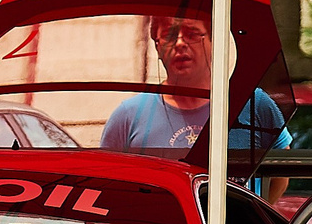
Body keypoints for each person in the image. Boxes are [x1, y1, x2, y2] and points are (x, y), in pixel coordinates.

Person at [98, 11, 291, 198]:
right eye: (169, 35)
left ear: (213, 42)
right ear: (157, 47)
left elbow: (280, 178)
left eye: (192, 34)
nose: (180, 43)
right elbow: (107, 186)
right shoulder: (128, 116)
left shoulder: (254, 105)